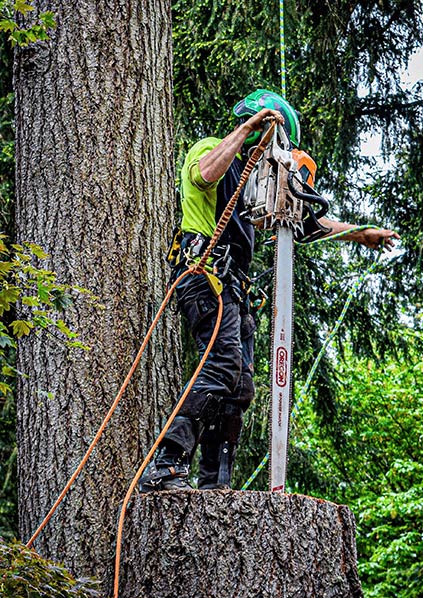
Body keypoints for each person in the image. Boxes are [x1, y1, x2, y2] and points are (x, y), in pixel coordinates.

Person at [139, 89, 399, 492]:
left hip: (232, 290)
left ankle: (214, 483)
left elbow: (302, 220)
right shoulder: (214, 150)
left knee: (239, 384)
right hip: (204, 276)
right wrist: (249, 130)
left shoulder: (252, 185)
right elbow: (204, 173)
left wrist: (360, 234)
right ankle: (167, 463)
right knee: (222, 366)